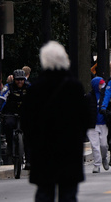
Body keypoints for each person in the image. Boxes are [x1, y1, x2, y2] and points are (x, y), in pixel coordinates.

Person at [22, 42, 95, 202]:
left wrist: (34, 141)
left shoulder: (35, 88)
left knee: (44, 193)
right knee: (68, 194)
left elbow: (26, 121)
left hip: (43, 149)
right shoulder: (74, 87)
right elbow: (87, 118)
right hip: (69, 148)